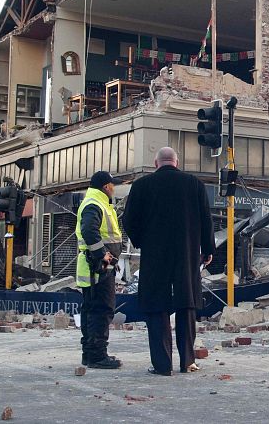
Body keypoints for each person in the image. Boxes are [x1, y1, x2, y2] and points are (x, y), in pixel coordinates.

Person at [123, 147, 215, 376]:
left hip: (155, 255)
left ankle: (162, 365)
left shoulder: (142, 186)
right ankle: (188, 362)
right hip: (187, 253)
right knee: (186, 304)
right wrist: (207, 248)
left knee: (156, 306)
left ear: (156, 163)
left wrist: (142, 240)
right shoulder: (194, 184)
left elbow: (129, 220)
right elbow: (206, 218)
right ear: (177, 162)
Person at [75, 171, 123, 369]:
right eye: (113, 185)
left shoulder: (96, 202)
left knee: (91, 309)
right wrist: (102, 254)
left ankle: (90, 353)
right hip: (99, 267)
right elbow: (89, 231)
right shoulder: (95, 204)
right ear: (106, 186)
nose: (114, 188)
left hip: (98, 266)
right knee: (102, 310)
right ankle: (97, 355)